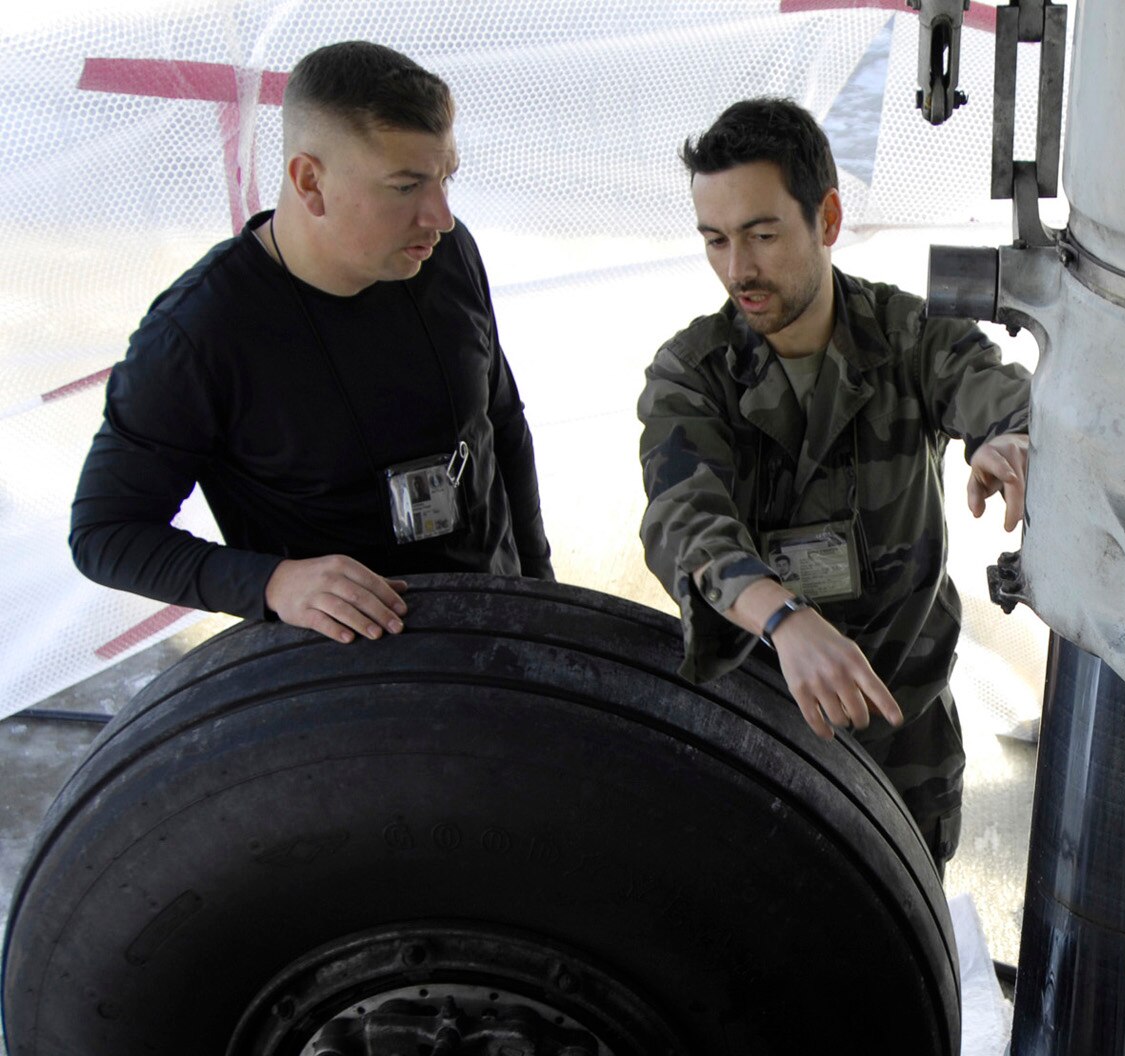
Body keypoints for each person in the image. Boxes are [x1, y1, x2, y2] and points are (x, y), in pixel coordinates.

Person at [638, 98, 1031, 869]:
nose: (737, 269)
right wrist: (784, 619)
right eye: (715, 240)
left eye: (761, 234)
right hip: (762, 733)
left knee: (902, 952)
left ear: (827, 218)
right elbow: (685, 520)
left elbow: (998, 388)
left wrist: (1006, 439)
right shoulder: (693, 373)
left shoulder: (904, 334)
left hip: (904, 734)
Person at [70, 39, 552, 646]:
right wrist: (273, 582)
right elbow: (105, 533)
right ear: (310, 182)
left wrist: (542, 590)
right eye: (406, 187)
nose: (441, 215)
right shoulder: (198, 333)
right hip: (333, 679)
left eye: (445, 178)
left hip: (493, 622)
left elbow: (502, 424)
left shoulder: (445, 253)